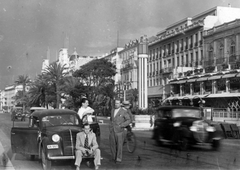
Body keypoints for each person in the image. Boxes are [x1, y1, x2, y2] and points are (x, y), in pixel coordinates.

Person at [109, 99, 131, 163]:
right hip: (112, 130)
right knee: (112, 145)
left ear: (120, 104)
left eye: (118, 103)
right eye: (115, 103)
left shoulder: (123, 111)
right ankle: (114, 157)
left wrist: (122, 125)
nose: (116, 104)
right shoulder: (112, 110)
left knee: (119, 145)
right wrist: (110, 127)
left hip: (119, 131)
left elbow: (128, 120)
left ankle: (118, 159)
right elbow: (111, 119)